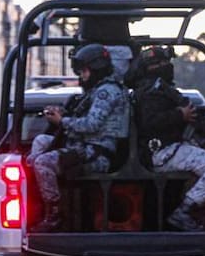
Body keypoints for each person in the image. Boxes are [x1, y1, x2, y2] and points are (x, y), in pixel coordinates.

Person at [26, 43, 130, 232]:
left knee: (43, 163)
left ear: (96, 69)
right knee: (41, 141)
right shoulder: (97, 91)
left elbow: (91, 125)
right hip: (85, 146)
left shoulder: (107, 92)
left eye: (84, 71)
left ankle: (54, 214)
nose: (82, 76)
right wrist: (63, 114)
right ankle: (37, 197)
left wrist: (62, 121)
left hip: (98, 153)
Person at [130, 46, 205, 232]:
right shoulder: (150, 91)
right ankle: (183, 212)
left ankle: (197, 212)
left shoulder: (156, 88)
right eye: (162, 63)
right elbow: (149, 122)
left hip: (166, 150)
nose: (167, 66)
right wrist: (179, 115)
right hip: (161, 153)